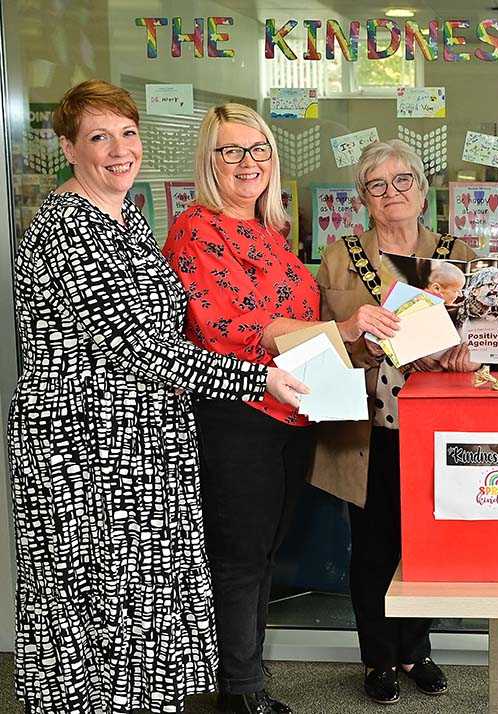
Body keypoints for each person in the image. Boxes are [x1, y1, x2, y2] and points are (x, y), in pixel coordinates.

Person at [7, 80, 305, 714]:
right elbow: (146, 352)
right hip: (83, 451)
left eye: (128, 134)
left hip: (142, 441)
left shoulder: (129, 219)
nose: (119, 150)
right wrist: (261, 378)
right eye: (98, 137)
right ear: (67, 146)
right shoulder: (66, 228)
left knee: (137, 619)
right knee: (90, 619)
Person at [162, 104, 392, 714]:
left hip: (292, 410)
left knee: (263, 553)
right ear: (209, 161)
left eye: (258, 149)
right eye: (231, 151)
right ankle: (238, 692)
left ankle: (241, 676)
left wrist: (355, 337)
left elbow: (302, 324)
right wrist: (339, 329)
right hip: (238, 411)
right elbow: (222, 323)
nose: (248, 163)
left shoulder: (270, 228)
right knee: (240, 558)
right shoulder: (197, 227)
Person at [311, 140, 479, 705]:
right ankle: (378, 657)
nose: (392, 193)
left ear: (422, 188)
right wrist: (361, 341)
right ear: (362, 198)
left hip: (439, 424)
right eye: (377, 185)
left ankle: (416, 649)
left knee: (429, 540)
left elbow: (492, 337)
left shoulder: (462, 254)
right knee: (374, 544)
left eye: (402, 180)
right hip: (368, 425)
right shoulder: (339, 256)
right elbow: (319, 341)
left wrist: (466, 353)